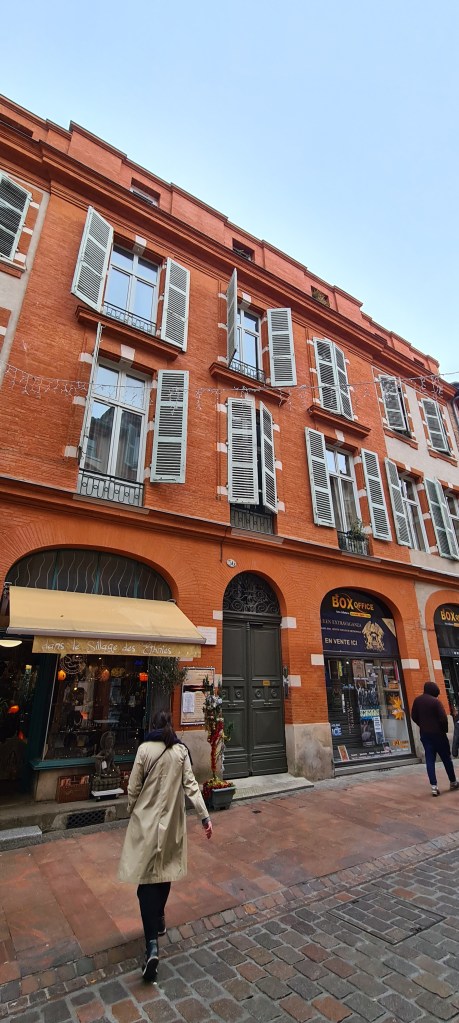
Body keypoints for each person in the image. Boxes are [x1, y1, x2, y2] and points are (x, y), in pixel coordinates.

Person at [118, 711, 212, 982]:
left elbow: (133, 788)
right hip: (171, 825)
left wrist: (133, 810)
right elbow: (192, 786)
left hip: (145, 824)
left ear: (152, 726)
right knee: (166, 870)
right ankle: (158, 917)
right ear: (170, 726)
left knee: (146, 882)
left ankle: (151, 946)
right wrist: (205, 817)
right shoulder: (180, 751)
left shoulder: (144, 750)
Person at [411, 681, 459, 796]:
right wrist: (444, 729)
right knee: (446, 758)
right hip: (438, 734)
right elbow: (443, 718)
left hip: (425, 734)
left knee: (430, 760)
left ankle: (434, 786)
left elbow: (414, 716)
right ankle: (453, 781)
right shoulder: (435, 702)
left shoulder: (417, 700)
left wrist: (422, 724)